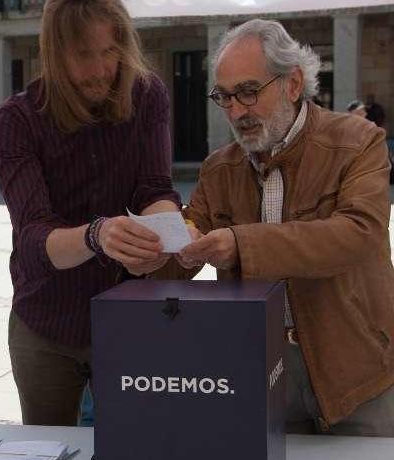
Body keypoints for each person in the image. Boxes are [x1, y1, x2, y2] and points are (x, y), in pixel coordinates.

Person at [157, 19, 394, 436]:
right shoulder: (220, 167)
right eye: (224, 97)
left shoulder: (358, 142)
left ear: (293, 83)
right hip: (262, 370)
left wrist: (241, 244)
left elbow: (359, 234)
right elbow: (187, 245)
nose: (236, 111)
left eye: (248, 92)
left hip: (357, 373)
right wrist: (163, 246)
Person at [0, 0, 179, 426]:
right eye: (83, 55)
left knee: (138, 447)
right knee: (49, 455)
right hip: (45, 322)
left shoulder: (147, 96)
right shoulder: (16, 120)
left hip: (126, 314)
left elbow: (155, 188)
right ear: (55, 54)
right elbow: (35, 238)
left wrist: (166, 232)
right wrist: (98, 236)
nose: (100, 70)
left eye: (110, 52)